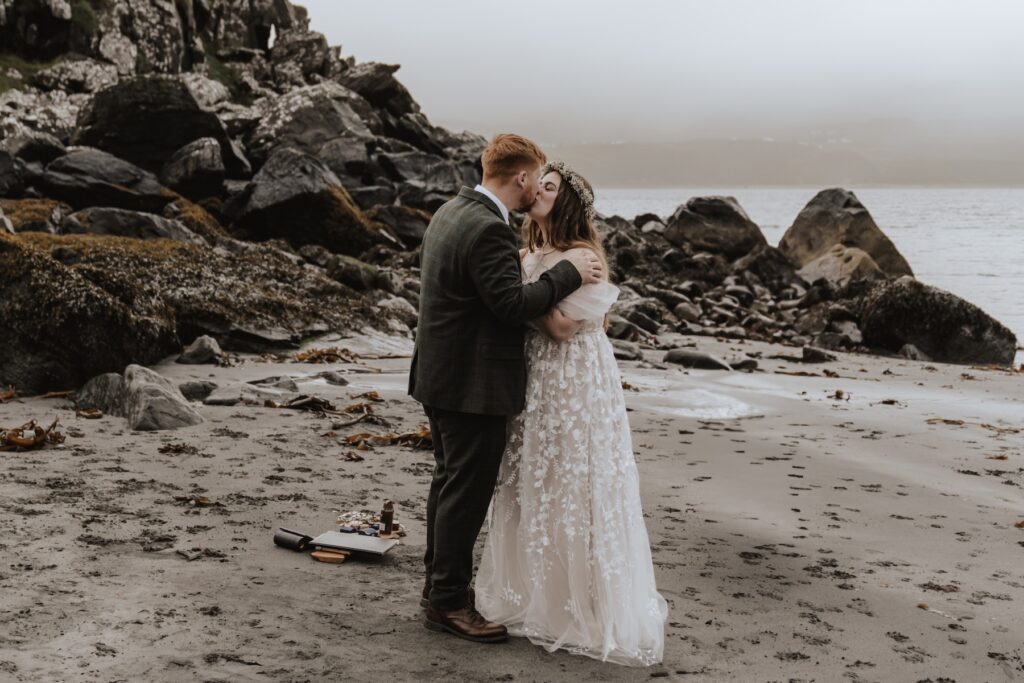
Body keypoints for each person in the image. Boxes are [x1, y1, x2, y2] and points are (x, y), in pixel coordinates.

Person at [409, 135, 605, 643]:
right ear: (520, 178)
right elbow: (512, 305)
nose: (535, 190)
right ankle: (448, 601)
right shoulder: (488, 229)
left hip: (440, 375)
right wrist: (566, 272)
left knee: (448, 483)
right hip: (471, 384)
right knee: (464, 494)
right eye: (535, 180)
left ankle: (439, 590)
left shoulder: (451, 211)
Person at [475, 161, 669, 666]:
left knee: (571, 479)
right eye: (540, 181)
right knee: (532, 477)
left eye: (552, 186)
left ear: (567, 203)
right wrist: (523, 287)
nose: (540, 188)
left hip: (573, 379)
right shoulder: (527, 253)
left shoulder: (584, 258)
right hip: (535, 378)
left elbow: (561, 328)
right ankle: (530, 594)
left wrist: (517, 297)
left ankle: (578, 607)